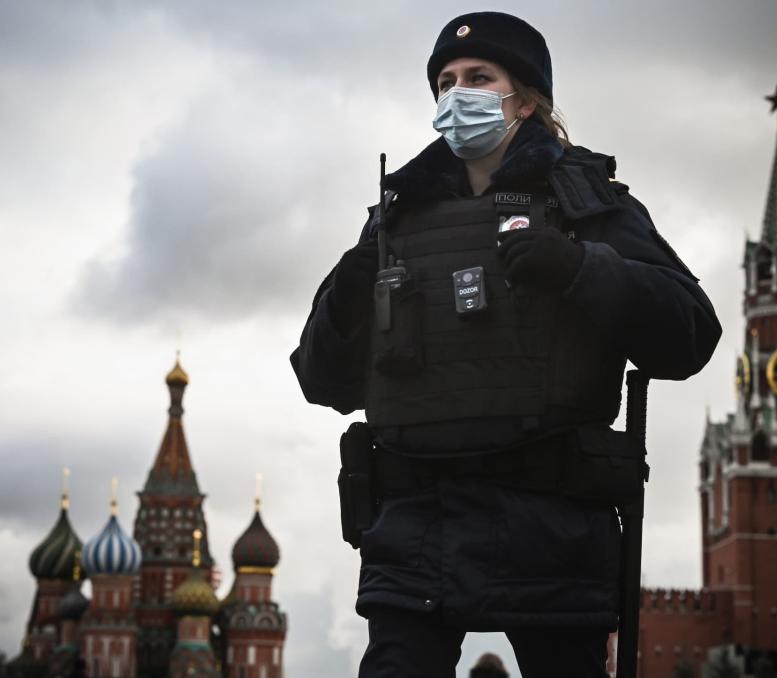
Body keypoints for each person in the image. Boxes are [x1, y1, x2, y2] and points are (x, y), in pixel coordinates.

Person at [291, 11, 721, 677]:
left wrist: (580, 269)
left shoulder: (583, 201)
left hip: (549, 530)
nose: (457, 93)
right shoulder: (395, 215)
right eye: (445, 81)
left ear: (525, 98)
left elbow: (689, 334)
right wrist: (347, 294)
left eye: (478, 77)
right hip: (415, 533)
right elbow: (322, 381)